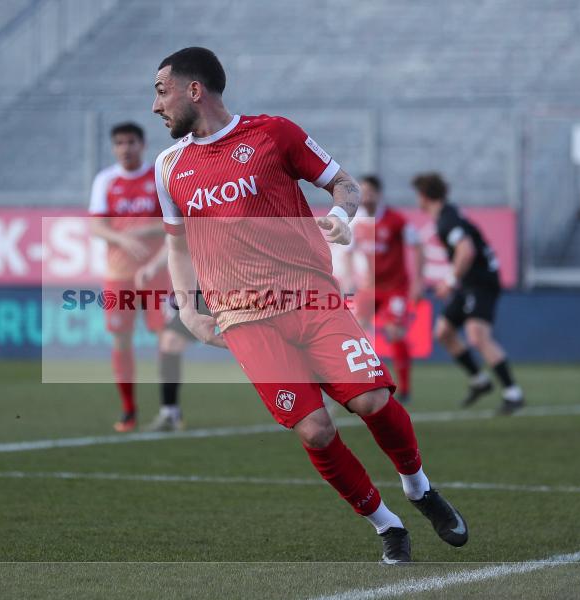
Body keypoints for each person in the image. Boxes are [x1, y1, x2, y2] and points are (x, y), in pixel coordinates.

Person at [152, 47, 467, 564]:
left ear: (194, 90)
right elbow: (178, 243)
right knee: (317, 431)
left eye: (161, 91)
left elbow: (345, 184)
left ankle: (419, 489)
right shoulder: (169, 167)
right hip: (244, 319)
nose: (155, 106)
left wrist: (342, 215)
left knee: (371, 402)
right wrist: (188, 310)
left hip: (312, 298)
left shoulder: (275, 133)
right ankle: (387, 526)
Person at [88, 122, 191, 432]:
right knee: (121, 340)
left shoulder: (157, 176)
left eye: (131, 141)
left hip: (158, 274)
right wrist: (121, 239)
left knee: (167, 339)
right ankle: (129, 410)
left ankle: (168, 407)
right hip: (118, 276)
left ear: (142, 144)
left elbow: (175, 222)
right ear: (113, 147)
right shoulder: (105, 180)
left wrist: (145, 230)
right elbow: (95, 225)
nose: (125, 148)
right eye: (119, 142)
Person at [412, 172, 525, 415]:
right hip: (468, 283)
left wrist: (450, 281)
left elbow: (467, 251)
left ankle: (513, 393)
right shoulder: (448, 214)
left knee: (477, 336)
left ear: (423, 196)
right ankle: (479, 381)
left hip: (481, 282)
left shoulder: (447, 220)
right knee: (443, 332)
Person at [344, 175, 424, 404]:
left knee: (395, 332)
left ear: (379, 194)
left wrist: (418, 281)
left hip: (395, 288)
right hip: (369, 289)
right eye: (362, 191)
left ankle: (405, 389)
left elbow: (418, 246)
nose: (365, 196)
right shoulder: (357, 222)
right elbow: (348, 252)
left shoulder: (396, 220)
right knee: (356, 333)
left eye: (370, 192)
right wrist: (350, 279)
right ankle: (362, 381)